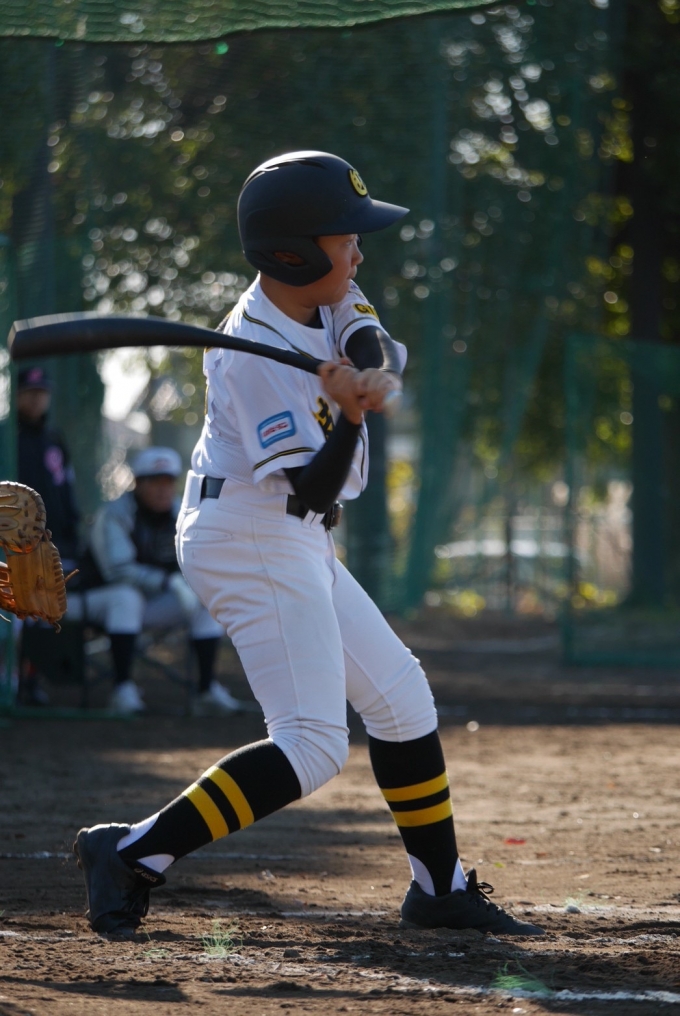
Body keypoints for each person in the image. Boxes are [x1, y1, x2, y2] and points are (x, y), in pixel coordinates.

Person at [74, 151, 543, 938]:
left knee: (401, 697)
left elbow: (366, 333)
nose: (358, 251)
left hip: (288, 532)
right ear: (292, 253)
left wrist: (371, 376)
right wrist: (351, 417)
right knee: (314, 744)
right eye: (343, 237)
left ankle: (439, 890)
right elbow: (314, 488)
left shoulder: (323, 291)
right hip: (247, 534)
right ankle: (129, 853)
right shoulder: (248, 355)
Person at [68, 446, 247, 716]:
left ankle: (207, 690)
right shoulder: (114, 514)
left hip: (148, 604)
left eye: (168, 481)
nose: (163, 489)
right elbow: (118, 572)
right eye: (155, 482)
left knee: (205, 597)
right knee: (125, 596)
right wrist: (168, 582)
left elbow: (201, 558)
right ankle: (122, 690)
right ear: (138, 483)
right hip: (95, 600)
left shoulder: (183, 512)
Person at [16, 366, 81, 705]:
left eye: (41, 392)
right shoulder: (6, 436)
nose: (36, 398)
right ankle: (12, 681)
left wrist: (71, 532)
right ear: (17, 395)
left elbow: (65, 489)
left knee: (42, 612)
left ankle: (30, 680)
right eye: (30, 392)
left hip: (52, 543)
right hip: (12, 545)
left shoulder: (54, 438)